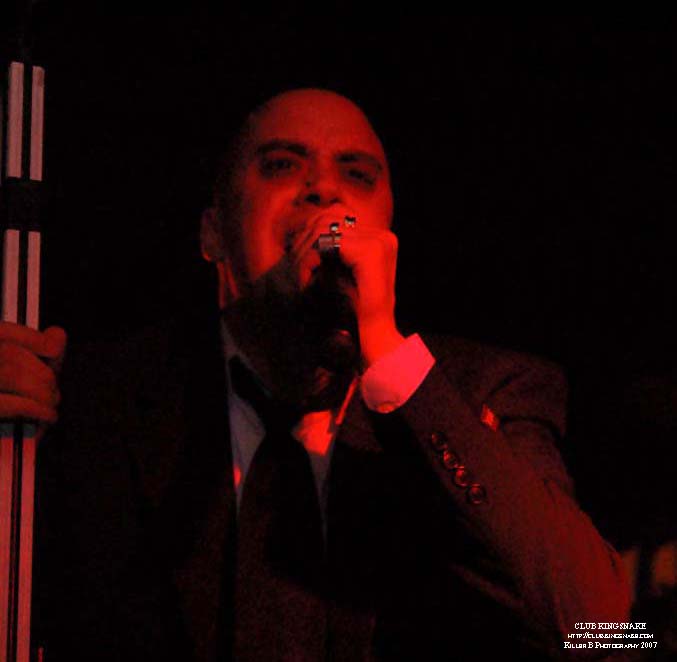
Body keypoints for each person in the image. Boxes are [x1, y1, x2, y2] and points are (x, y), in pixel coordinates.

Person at [2, 89, 630, 661]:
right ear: (214, 232)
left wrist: (387, 352)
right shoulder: (100, 396)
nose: (325, 190)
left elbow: (603, 628)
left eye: (357, 175)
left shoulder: (484, 391)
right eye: (282, 165)